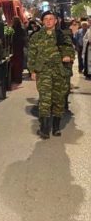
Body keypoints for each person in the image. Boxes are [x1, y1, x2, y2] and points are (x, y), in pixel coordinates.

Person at [28, 11, 75, 139]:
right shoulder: (36, 36)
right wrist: (32, 71)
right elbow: (32, 55)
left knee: (59, 99)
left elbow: (70, 50)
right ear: (42, 21)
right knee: (45, 99)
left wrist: (67, 56)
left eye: (51, 19)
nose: (48, 21)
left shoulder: (63, 35)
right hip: (43, 72)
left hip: (60, 72)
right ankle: (44, 128)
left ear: (55, 21)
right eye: (46, 19)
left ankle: (56, 127)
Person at [10, 16, 27, 84]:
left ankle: (13, 78)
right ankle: (18, 79)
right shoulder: (22, 29)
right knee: (19, 64)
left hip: (13, 48)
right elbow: (24, 39)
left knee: (13, 64)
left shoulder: (11, 29)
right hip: (19, 48)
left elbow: (9, 38)